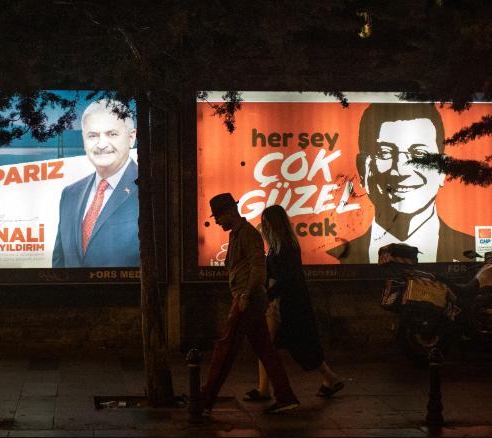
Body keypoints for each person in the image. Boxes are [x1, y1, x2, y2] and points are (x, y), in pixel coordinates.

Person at [328, 103, 474, 264]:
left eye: (419, 153)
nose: (401, 170)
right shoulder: (331, 259)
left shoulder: (475, 254)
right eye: (385, 153)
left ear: (441, 169)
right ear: (363, 169)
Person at [200, 193, 300, 415]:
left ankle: (205, 400)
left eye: (218, 217)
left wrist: (244, 296)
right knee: (266, 350)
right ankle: (286, 397)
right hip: (249, 298)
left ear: (229, 212)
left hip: (248, 300)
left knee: (224, 349)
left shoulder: (248, 235)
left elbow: (258, 267)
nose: (216, 221)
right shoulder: (237, 234)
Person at [243, 205, 345, 402]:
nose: (263, 227)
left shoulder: (285, 248)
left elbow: (285, 279)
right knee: (288, 344)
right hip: (284, 304)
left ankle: (266, 389)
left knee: (276, 344)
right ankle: (329, 378)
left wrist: (268, 295)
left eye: (266, 223)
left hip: (284, 305)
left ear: (274, 224)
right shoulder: (282, 245)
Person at [52, 99, 140, 267]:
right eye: (93, 136)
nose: (101, 144)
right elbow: (59, 265)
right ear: (84, 140)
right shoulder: (69, 194)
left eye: (112, 134)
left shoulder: (151, 190)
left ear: (131, 138)